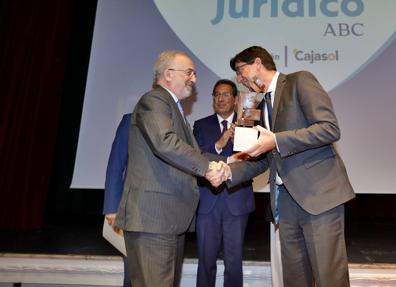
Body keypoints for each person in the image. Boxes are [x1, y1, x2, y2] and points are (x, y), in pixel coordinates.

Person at [226, 46, 356, 287]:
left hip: (318, 197)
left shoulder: (299, 81)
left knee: (330, 279)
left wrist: (275, 139)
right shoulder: (255, 105)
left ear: (257, 63)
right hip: (284, 204)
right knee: (294, 280)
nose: (239, 79)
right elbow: (266, 158)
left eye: (240, 70)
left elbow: (329, 128)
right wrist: (228, 169)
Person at [114, 50, 230, 287]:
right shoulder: (154, 100)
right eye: (189, 72)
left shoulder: (173, 107)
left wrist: (230, 164)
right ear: (168, 74)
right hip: (153, 218)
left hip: (167, 220)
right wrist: (209, 168)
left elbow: (193, 153)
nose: (194, 79)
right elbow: (165, 142)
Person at [192, 79, 255, 287]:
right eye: (216, 94)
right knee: (206, 261)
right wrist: (219, 144)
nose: (220, 98)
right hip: (208, 202)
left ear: (236, 99)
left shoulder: (249, 122)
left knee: (234, 262)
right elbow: (195, 157)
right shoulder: (201, 125)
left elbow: (254, 161)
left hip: (236, 201)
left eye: (226, 94)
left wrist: (243, 141)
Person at [103, 113, 132, 287]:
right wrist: (112, 208)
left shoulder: (177, 121)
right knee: (133, 276)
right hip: (133, 214)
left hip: (167, 217)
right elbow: (116, 164)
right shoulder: (132, 120)